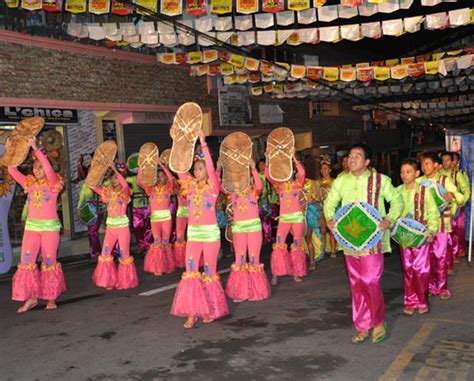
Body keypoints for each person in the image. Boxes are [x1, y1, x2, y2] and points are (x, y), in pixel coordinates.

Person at [324, 143, 403, 344]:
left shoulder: (380, 181)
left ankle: (378, 322)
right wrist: (330, 219)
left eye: (357, 156)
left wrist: (389, 219)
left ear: (367, 162)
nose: (352, 159)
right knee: (356, 284)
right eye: (350, 155)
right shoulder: (341, 181)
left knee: (370, 281)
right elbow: (330, 202)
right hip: (349, 240)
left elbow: (397, 201)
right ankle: (362, 324)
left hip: (372, 241)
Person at [171, 131, 229, 329]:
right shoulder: (189, 187)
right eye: (195, 168)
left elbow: (213, 171)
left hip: (211, 234)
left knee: (209, 272)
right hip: (194, 234)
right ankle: (192, 313)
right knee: (190, 272)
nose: (197, 171)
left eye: (200, 168)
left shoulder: (213, 187)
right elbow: (179, 168)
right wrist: (177, 141)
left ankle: (211, 309)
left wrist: (203, 143)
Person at [7, 138, 66, 313]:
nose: (37, 169)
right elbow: (11, 170)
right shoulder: (29, 184)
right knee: (26, 262)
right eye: (35, 167)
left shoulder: (54, 184)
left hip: (49, 229)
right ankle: (31, 298)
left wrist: (36, 149)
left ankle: (51, 298)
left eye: (40, 166)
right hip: (32, 228)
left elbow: (48, 169)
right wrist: (11, 149)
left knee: (49, 262)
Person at [223, 159, 271, 303]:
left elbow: (260, 185)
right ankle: (241, 292)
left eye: (244, 175)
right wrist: (224, 169)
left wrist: (253, 168)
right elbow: (220, 185)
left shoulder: (254, 192)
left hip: (254, 228)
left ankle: (256, 292)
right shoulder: (233, 193)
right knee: (240, 260)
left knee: (254, 259)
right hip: (239, 229)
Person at [397, 159, 439, 315]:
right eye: (402, 172)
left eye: (408, 172)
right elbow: (394, 212)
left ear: (416, 174)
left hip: (421, 236)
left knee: (421, 269)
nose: (404, 175)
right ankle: (410, 300)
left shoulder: (425, 191)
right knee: (408, 268)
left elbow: (433, 213)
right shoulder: (398, 191)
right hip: (404, 237)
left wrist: (432, 231)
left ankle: (422, 300)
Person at [419, 152, 462, 299]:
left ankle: (442, 287)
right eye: (423, 164)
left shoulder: (444, 180)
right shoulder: (418, 182)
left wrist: (452, 196)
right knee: (427, 258)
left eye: (428, 163)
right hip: (424, 226)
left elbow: (460, 196)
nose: (425, 167)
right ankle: (431, 286)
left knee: (440, 256)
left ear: (436, 166)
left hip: (442, 224)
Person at [90, 162, 138, 290]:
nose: (113, 179)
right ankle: (108, 281)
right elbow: (92, 185)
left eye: (116, 177)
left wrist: (115, 169)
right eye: (112, 177)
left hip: (122, 228)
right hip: (110, 228)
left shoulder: (126, 192)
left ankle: (125, 282)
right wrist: (97, 169)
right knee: (105, 253)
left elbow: (124, 184)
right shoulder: (108, 192)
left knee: (124, 255)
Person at [266, 150, 307, 285]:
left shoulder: (298, 184)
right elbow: (268, 175)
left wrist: (294, 157)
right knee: (278, 245)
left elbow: (302, 173)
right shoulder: (279, 186)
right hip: (284, 219)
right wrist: (268, 159)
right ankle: (276, 273)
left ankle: (297, 272)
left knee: (297, 245)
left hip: (297, 219)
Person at [138, 159, 176, 276]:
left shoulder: (169, 188)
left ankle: (167, 265)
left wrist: (162, 166)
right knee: (157, 242)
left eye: (162, 176)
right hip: (155, 219)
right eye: (157, 176)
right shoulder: (151, 189)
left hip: (166, 219)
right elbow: (139, 181)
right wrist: (141, 167)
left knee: (165, 242)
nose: (160, 178)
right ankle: (158, 267)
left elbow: (172, 179)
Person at [440, 151, 470, 260]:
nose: (445, 163)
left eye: (448, 160)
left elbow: (466, 190)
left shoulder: (458, 174)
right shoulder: (438, 174)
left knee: (457, 229)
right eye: (443, 160)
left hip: (456, 206)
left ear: (454, 162)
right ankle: (450, 256)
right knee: (446, 233)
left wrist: (461, 202)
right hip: (442, 208)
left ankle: (456, 252)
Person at [126, 161, 152, 255]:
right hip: (137, 208)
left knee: (148, 227)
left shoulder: (149, 179)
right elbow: (123, 180)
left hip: (147, 207)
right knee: (137, 228)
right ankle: (142, 246)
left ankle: (148, 246)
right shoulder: (132, 179)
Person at [316, 159, 337, 259]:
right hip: (321, 208)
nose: (323, 171)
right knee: (322, 230)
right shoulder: (317, 182)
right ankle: (323, 249)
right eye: (322, 169)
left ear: (330, 170)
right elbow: (315, 195)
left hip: (332, 209)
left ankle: (333, 250)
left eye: (325, 169)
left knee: (332, 230)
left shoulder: (334, 181)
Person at [257, 159, 278, 244]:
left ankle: (271, 236)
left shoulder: (271, 175)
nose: (261, 166)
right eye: (260, 165)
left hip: (272, 199)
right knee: (265, 220)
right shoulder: (257, 176)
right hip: (263, 201)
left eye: (263, 164)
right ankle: (267, 237)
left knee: (272, 219)